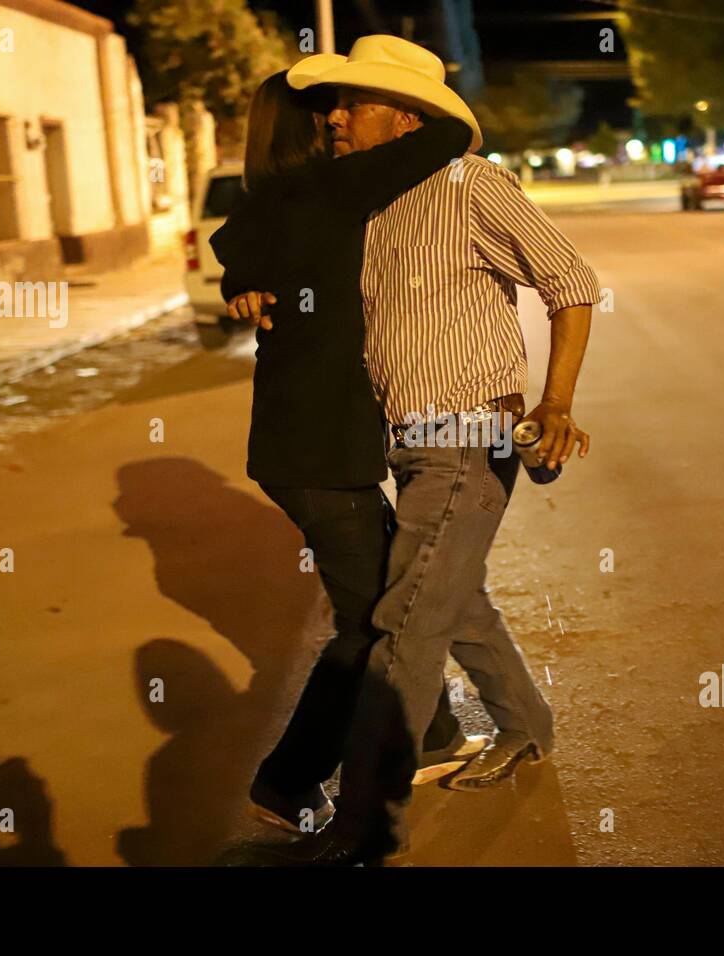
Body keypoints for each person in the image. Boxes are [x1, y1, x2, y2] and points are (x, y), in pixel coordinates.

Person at [232, 36, 601, 864]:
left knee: (403, 624)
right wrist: (242, 277)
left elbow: (572, 283)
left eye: (350, 104)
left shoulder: (475, 186)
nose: (332, 118)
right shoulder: (365, 200)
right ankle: (525, 728)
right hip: (402, 440)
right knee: (450, 597)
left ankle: (367, 825)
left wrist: (558, 400)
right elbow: (264, 231)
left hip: (469, 434)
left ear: (402, 117)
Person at [208, 71, 485, 837]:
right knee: (370, 626)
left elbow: (232, 246)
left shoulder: (274, 203)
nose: (337, 117)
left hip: (302, 447)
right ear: (301, 129)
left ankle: (434, 735)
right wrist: (398, 88)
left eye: (345, 104)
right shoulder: (331, 190)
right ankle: (286, 779)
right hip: (321, 453)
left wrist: (241, 282)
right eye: (325, 108)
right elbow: (453, 134)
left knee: (403, 589)